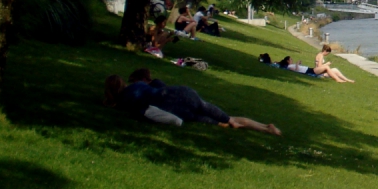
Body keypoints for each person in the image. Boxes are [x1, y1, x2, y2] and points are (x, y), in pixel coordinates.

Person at [104, 70, 280, 134]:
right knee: (224, 117)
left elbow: (146, 110)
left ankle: (262, 128)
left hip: (178, 110)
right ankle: (265, 127)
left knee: (223, 122)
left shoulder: (127, 100)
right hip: (181, 94)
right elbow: (158, 84)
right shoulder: (139, 86)